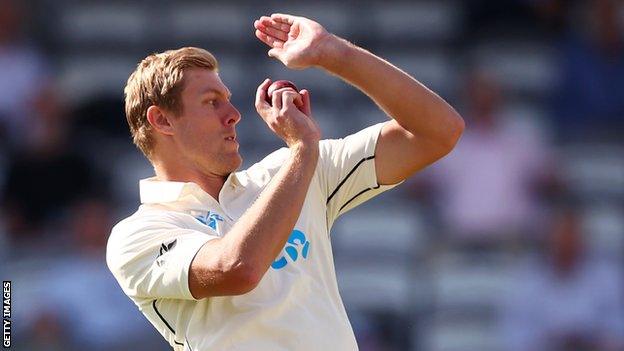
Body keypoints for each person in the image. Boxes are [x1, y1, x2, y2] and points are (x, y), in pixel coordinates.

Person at [106, 13, 464, 350]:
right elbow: (237, 269)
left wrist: (334, 54)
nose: (233, 115)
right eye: (212, 102)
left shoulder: (288, 170)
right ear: (162, 120)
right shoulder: (138, 233)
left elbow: (439, 131)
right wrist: (303, 149)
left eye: (228, 101)